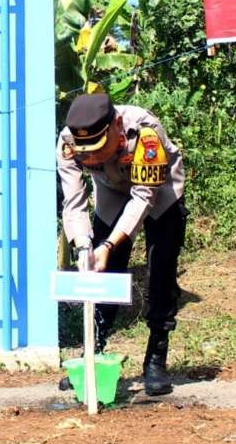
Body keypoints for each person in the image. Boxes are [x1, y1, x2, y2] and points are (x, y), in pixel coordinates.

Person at [57, 94, 187, 396]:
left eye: (100, 150)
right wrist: (84, 247)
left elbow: (144, 197)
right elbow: (74, 201)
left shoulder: (146, 132)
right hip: (111, 194)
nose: (93, 160)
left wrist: (110, 244)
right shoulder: (67, 142)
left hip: (160, 193)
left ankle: (156, 359)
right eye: (86, 155)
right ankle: (94, 354)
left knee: (161, 270)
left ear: (117, 125)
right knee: (104, 274)